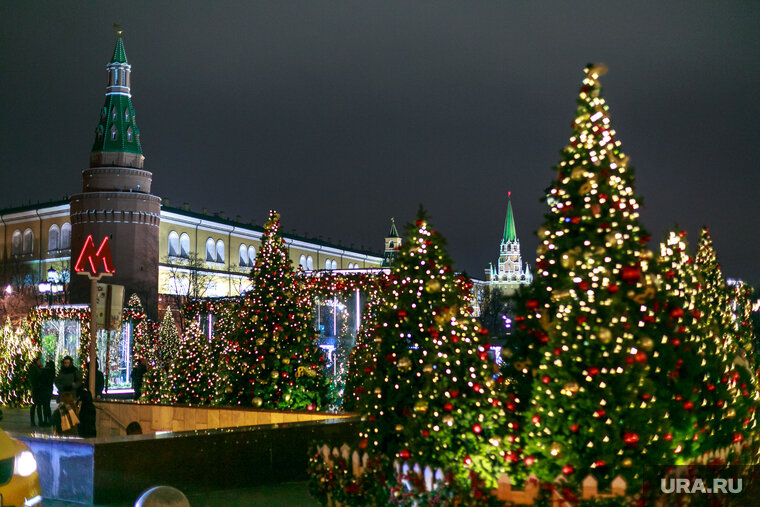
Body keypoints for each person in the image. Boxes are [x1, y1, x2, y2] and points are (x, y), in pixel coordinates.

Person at [29, 356, 45, 427]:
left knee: (38, 405)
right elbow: (36, 378)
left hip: (38, 389)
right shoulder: (34, 368)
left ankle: (39, 421)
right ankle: (35, 421)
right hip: (36, 389)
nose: (40, 362)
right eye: (39, 361)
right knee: (35, 405)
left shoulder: (37, 368)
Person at [40, 360, 56, 426]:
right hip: (49, 389)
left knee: (45, 406)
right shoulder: (52, 371)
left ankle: (46, 420)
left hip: (44, 390)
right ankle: (49, 420)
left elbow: (41, 379)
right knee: (47, 406)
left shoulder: (44, 371)